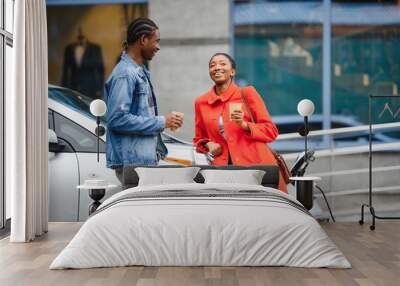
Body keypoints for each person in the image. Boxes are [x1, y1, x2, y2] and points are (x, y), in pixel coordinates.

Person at [104, 18, 183, 187]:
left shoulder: (138, 72)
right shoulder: (125, 74)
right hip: (133, 163)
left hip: (140, 160)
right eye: (156, 41)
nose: (158, 47)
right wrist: (162, 121)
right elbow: (117, 119)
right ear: (143, 40)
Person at [193, 53, 287, 193]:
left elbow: (271, 131)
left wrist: (245, 125)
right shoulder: (201, 102)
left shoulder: (247, 94)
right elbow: (198, 139)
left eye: (222, 64)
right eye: (212, 65)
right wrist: (208, 144)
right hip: (223, 172)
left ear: (232, 71)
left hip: (257, 168)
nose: (217, 67)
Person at [61, 27, 105, 99]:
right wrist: (63, 89)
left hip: (90, 89)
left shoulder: (95, 48)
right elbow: (65, 71)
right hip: (73, 88)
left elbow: (100, 71)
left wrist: (100, 89)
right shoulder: (69, 49)